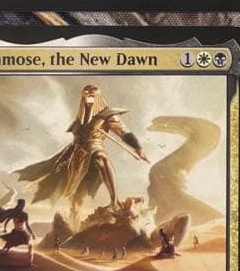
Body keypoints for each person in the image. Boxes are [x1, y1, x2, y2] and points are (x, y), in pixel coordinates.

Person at [17, 85, 148, 219]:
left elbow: (124, 132)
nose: (89, 99)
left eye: (92, 96)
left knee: (101, 158)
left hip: (95, 144)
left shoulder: (107, 114)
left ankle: (114, 201)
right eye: (86, 96)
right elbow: (76, 139)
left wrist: (138, 148)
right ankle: (76, 219)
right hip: (78, 155)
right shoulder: (80, 119)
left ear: (98, 97)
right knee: (77, 192)